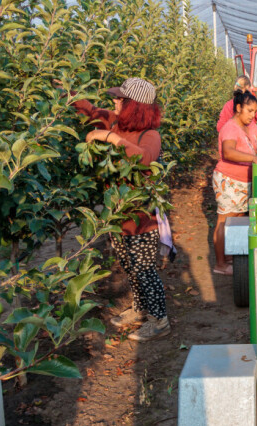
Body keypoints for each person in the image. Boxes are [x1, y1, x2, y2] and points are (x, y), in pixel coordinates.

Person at [72, 77, 171, 341]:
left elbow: (145, 158)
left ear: (135, 106)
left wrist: (110, 138)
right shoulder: (113, 122)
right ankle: (140, 309)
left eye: (121, 99)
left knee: (145, 270)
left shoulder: (149, 135)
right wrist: (66, 90)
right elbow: (90, 110)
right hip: (116, 217)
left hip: (141, 220)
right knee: (128, 266)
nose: (115, 101)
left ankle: (159, 319)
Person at [213, 90, 257, 275]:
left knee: (237, 219)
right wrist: (253, 158)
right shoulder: (231, 127)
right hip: (229, 180)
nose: (252, 115)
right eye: (249, 110)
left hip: (244, 181)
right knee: (225, 221)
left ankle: (230, 256)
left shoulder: (251, 126)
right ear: (238, 108)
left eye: (255, 111)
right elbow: (228, 152)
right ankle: (220, 264)